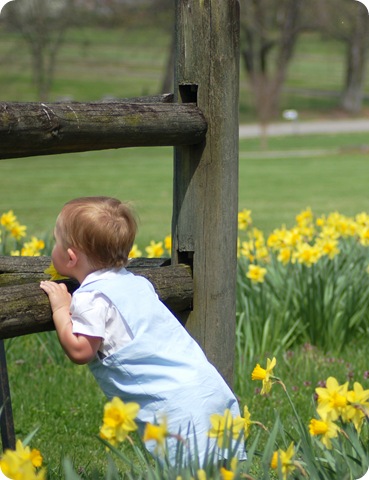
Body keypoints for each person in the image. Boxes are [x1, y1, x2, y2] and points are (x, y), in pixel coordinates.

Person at [40, 196, 246, 465]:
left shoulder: (92, 297)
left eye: (56, 241)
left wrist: (60, 308)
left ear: (70, 257)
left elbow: (80, 350)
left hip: (174, 408)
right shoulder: (137, 283)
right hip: (206, 388)